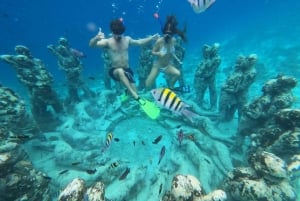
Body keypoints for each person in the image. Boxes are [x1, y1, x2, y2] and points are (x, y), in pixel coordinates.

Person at [89, 19, 159, 101]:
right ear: (112, 32)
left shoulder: (127, 39)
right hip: (115, 71)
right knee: (120, 71)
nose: (118, 36)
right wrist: (96, 38)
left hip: (127, 70)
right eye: (116, 34)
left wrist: (151, 38)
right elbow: (91, 45)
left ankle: (128, 93)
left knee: (134, 91)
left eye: (120, 34)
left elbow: (139, 42)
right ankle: (135, 95)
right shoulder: (107, 42)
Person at [145, 15, 186, 90]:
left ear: (172, 34)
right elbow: (152, 52)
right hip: (157, 66)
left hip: (167, 66)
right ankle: (148, 93)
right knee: (148, 84)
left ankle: (170, 87)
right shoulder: (159, 41)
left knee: (177, 74)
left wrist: (178, 60)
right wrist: (159, 53)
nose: (167, 36)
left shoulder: (173, 40)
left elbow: (172, 52)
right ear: (163, 32)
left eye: (169, 34)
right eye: (166, 33)